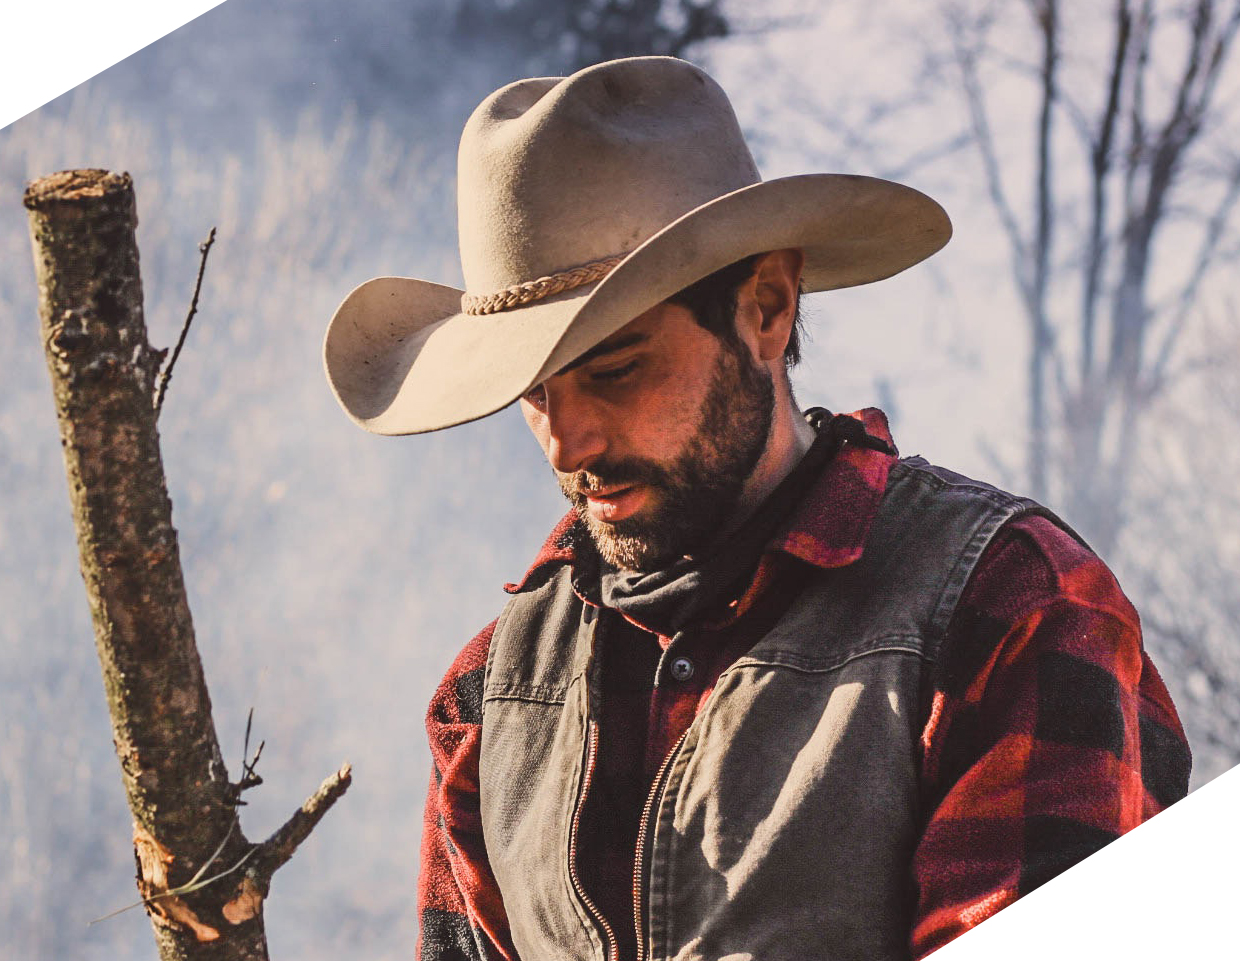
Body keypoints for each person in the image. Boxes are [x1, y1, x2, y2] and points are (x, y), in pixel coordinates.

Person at [323, 56, 1190, 961]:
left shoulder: (1011, 607)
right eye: (532, 394)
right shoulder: (484, 698)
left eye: (614, 369)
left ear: (766, 309)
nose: (567, 442)